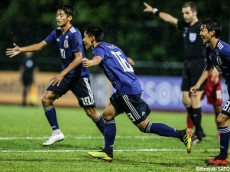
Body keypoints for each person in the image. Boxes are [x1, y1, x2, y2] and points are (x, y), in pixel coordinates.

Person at [81, 24, 192, 162]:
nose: (83, 40)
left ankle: (182, 134)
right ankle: (107, 152)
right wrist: (128, 61)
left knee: (144, 126)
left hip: (126, 90)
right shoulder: (112, 46)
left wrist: (92, 62)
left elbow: (98, 59)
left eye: (84, 37)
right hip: (127, 88)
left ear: (92, 38)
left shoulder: (98, 50)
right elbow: (126, 59)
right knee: (107, 115)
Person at [5, 4, 104, 146]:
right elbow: (41, 45)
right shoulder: (57, 32)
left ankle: (108, 136)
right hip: (65, 76)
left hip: (79, 77)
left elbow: (78, 58)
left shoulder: (75, 34)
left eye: (61, 15)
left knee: (91, 112)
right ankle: (56, 132)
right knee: (46, 99)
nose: (58, 17)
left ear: (69, 17)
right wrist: (21, 50)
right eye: (57, 14)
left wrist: (62, 73)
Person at [143, 2, 206, 144]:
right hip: (187, 64)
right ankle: (200, 129)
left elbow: (212, 42)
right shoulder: (184, 25)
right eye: (183, 13)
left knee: (195, 97)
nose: (184, 15)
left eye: (187, 13)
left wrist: (213, 66)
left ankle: (199, 133)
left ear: (194, 12)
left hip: (199, 63)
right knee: (185, 99)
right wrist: (155, 10)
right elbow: (169, 18)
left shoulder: (202, 27)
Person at [190, 18, 230, 166]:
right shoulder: (209, 49)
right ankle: (223, 155)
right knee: (222, 119)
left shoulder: (225, 50)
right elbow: (208, 68)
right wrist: (197, 84)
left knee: (221, 119)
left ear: (212, 32)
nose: (200, 33)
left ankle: (222, 157)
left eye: (202, 30)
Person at [201, 67, 222, 138]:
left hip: (216, 86)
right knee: (193, 103)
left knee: (218, 110)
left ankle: (221, 131)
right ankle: (195, 130)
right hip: (204, 83)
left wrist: (218, 70)